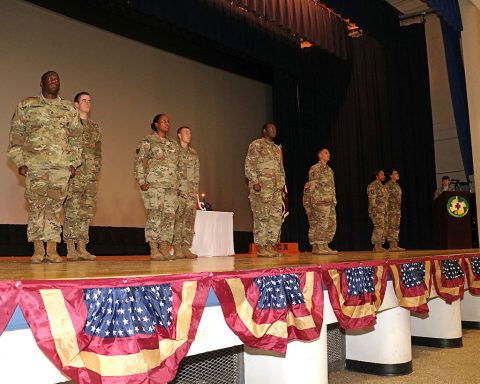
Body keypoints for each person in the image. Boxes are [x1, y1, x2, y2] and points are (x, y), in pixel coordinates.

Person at [7, 71, 81, 263]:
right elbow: (16, 135)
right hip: (35, 166)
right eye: (50, 78)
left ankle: (53, 248)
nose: (54, 81)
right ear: (41, 83)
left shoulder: (68, 109)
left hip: (60, 167)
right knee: (36, 206)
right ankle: (38, 249)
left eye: (57, 78)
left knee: (55, 208)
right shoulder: (27, 105)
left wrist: (73, 162)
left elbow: (76, 139)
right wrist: (20, 161)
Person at [134, 114, 179, 260]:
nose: (167, 123)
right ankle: (154, 249)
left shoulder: (173, 144)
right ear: (156, 124)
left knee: (169, 218)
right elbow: (139, 162)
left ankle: (164, 249)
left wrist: (178, 185)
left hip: (171, 187)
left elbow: (177, 166)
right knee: (155, 217)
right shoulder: (149, 141)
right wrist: (141, 181)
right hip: (154, 186)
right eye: (163, 121)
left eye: (168, 121)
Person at [63, 92, 102, 261]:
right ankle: (70, 248)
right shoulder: (69, 124)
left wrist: (96, 171)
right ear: (76, 104)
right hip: (74, 175)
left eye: (89, 101)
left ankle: (82, 247)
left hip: (90, 176)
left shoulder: (95, 127)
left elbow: (98, 152)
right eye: (84, 100)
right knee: (72, 210)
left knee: (86, 212)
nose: (87, 103)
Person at [245, 122, 285, 257]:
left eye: (275, 128)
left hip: (275, 190)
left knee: (275, 218)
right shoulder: (256, 145)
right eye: (271, 128)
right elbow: (249, 165)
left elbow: (281, 170)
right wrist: (255, 181)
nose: (274, 130)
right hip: (261, 188)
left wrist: (281, 185)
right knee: (262, 217)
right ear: (264, 131)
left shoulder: (276, 149)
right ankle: (262, 247)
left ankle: (270, 246)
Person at [172, 126, 199, 259]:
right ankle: (177, 248)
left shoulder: (193, 153)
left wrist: (195, 191)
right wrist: (175, 189)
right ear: (179, 135)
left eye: (190, 132)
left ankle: (185, 247)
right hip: (179, 192)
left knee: (189, 220)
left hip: (191, 193)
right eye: (186, 132)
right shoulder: (174, 151)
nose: (189, 135)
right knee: (178, 220)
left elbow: (196, 173)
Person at [306, 148, 337, 254]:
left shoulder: (329, 170)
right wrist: (315, 202)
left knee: (331, 224)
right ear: (320, 155)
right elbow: (312, 187)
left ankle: (325, 244)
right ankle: (320, 245)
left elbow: (332, 187)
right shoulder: (315, 168)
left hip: (330, 201)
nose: (329, 154)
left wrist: (333, 199)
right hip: (320, 202)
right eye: (326, 152)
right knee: (322, 224)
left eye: (329, 152)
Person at [367, 170, 388, 252]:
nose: (384, 176)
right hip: (377, 211)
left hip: (382, 210)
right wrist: (374, 210)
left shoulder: (382, 186)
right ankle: (376, 246)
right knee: (379, 227)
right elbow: (372, 199)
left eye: (384, 174)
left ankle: (379, 245)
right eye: (382, 174)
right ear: (377, 176)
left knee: (382, 228)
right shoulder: (373, 185)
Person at [385, 170, 405, 251]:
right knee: (391, 227)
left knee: (396, 227)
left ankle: (395, 245)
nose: (397, 174)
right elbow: (385, 198)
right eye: (395, 173)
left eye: (397, 173)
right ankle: (392, 245)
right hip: (390, 210)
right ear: (391, 176)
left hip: (397, 210)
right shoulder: (388, 185)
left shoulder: (396, 185)